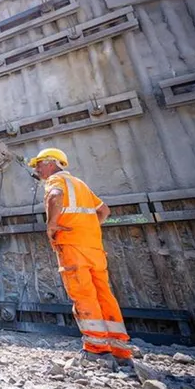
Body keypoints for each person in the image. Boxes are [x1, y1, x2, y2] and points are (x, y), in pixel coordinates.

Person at [28, 148, 132, 365]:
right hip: (93, 246)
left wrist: (52, 225)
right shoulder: (80, 184)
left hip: (72, 246)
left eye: (39, 164)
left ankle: (96, 348)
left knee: (83, 293)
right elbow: (104, 211)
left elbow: (55, 197)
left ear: (50, 163)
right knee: (104, 293)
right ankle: (119, 348)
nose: (37, 169)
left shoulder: (56, 181)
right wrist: (88, 228)